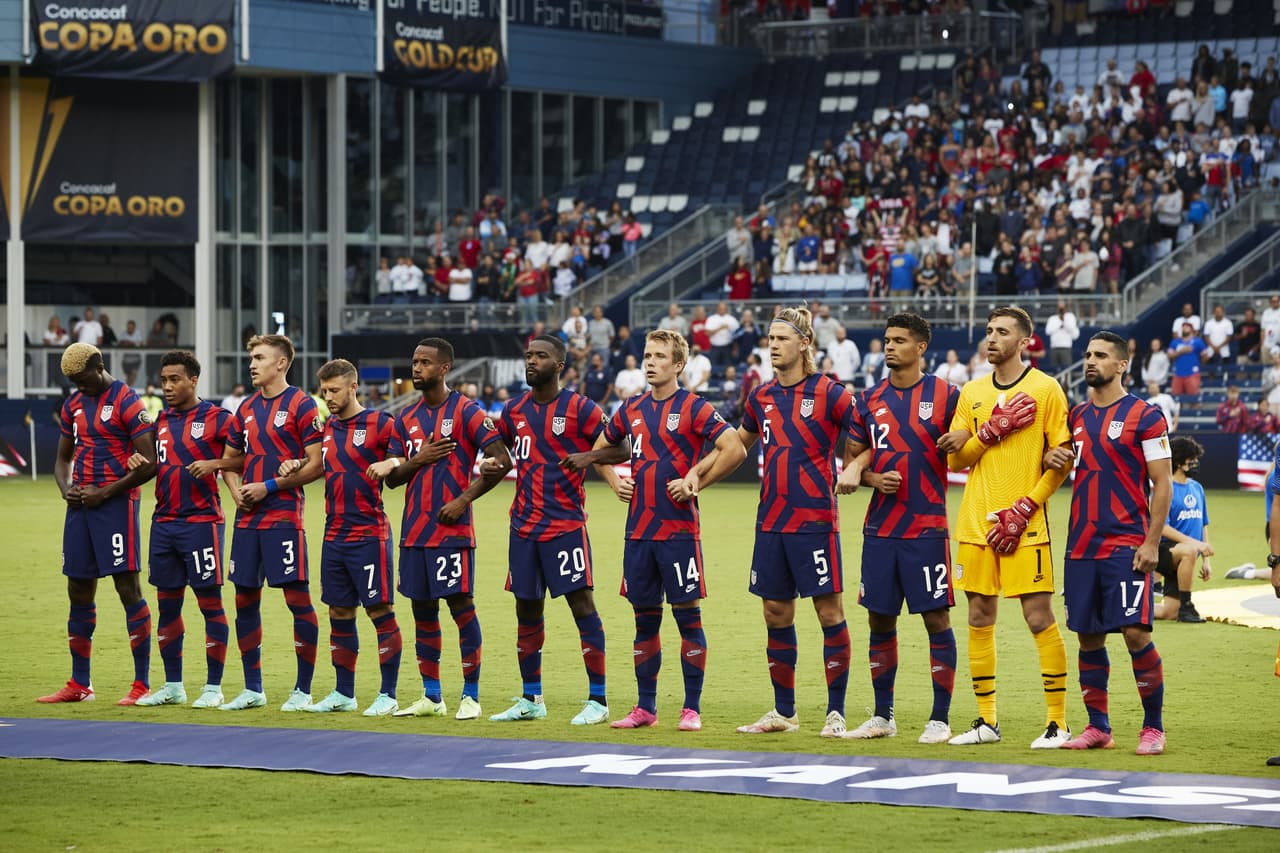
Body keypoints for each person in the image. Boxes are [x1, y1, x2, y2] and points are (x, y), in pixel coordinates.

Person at [562, 329, 746, 731]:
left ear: (678, 365)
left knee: (688, 619)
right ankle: (645, 708)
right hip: (639, 534)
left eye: (660, 356)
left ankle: (691, 709)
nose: (650, 362)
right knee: (644, 621)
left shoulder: (694, 407)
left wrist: (696, 482)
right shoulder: (631, 408)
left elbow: (735, 448)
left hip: (678, 532)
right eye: (647, 355)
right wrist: (614, 480)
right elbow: (599, 450)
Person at [704, 307, 861, 738]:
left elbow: (866, 434)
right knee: (775, 613)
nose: (772, 345)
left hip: (815, 520)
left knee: (829, 612)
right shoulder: (761, 397)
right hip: (771, 521)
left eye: (781, 338)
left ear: (804, 343)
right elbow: (737, 446)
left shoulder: (830, 393)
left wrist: (855, 466)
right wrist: (698, 476)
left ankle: (836, 713)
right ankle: (784, 712)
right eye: (770, 338)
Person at [946, 307, 1073, 749]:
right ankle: (986, 721)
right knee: (979, 616)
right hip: (976, 522)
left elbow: (1062, 460)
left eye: (1002, 332)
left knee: (1038, 617)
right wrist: (990, 431)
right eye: (989, 331)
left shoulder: (1046, 389)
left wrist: (1026, 507)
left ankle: (1058, 723)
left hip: (1027, 525)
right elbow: (956, 459)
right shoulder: (972, 392)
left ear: (1024, 342)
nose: (992, 338)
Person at [842, 313, 965, 743]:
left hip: (927, 528)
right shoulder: (868, 399)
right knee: (879, 619)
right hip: (880, 529)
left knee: (936, 617)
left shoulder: (947, 395)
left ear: (920, 347)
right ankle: (882, 716)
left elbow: (968, 446)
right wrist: (874, 479)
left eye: (899, 340)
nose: (890, 347)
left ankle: (940, 718)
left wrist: (965, 438)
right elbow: (853, 462)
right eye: (887, 339)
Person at [376, 338, 511, 720]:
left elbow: (502, 460)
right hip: (414, 532)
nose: (416, 368)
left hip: (452, 533)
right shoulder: (406, 417)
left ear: (444, 368)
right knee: (422, 611)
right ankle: (432, 695)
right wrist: (418, 459)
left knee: (461, 608)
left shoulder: (467, 411)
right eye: (414, 361)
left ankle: (471, 696)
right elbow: (393, 478)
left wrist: (463, 501)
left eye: (424, 362)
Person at [483, 336, 612, 725]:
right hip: (523, 527)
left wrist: (589, 456)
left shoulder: (581, 408)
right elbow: (500, 450)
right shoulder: (514, 410)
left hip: (565, 525)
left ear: (559, 365)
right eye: (528, 355)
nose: (531, 361)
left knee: (581, 606)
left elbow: (621, 447)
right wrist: (492, 462)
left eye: (540, 356)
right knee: (526, 608)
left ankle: (598, 699)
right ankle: (531, 698)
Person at [1056, 331, 1171, 756]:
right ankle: (1098, 727)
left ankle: (1153, 728)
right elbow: (1063, 461)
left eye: (1101, 355)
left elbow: (1162, 484)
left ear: (1122, 364)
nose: (1091, 361)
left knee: (1135, 633)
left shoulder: (1146, 415)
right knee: (1088, 637)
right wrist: (1053, 457)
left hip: (1126, 543)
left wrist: (1152, 543)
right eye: (1088, 354)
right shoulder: (1076, 415)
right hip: (1081, 547)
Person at [274, 359, 404, 717]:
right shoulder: (328, 426)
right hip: (334, 534)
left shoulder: (380, 422)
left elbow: (404, 457)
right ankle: (344, 693)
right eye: (324, 391)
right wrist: (294, 464)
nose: (328, 397)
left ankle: (388, 694)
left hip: (369, 533)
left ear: (353, 387)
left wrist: (391, 464)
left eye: (334, 390)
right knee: (339, 611)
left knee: (379, 610)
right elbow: (315, 464)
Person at [38, 343, 157, 705]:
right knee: (78, 588)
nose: (78, 385)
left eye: (82, 377)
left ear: (99, 366)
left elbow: (150, 462)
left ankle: (141, 685)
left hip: (116, 505)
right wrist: (67, 491)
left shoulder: (127, 400)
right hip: (81, 508)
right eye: (72, 380)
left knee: (127, 588)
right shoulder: (73, 404)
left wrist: (104, 492)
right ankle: (80, 684)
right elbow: (62, 460)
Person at [214, 334, 325, 711]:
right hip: (247, 522)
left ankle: (303, 690)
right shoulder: (244, 408)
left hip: (283, 518)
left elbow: (317, 464)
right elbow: (230, 461)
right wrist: (236, 493)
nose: (252, 364)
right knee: (244, 599)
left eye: (259, 358)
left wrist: (269, 486)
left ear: (281, 363)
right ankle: (253, 689)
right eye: (251, 358)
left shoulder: (302, 404)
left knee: (297, 599)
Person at [128, 351, 234, 709]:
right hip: (164, 523)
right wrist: (134, 460)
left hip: (201, 523)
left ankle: (213, 687)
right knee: (167, 606)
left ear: (193, 380)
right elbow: (149, 462)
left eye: (175, 379)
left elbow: (245, 457)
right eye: (164, 380)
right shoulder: (160, 420)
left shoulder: (219, 418)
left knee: (210, 603)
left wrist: (215, 463)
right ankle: (173, 686)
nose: (168, 386)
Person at [1154, 437, 1211, 623]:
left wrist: (1206, 561)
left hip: (1186, 554)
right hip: (1165, 551)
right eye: (1191, 459)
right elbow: (1162, 528)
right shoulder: (1165, 488)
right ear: (1179, 462)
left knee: (1170, 612)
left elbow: (1203, 524)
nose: (1195, 463)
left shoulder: (1197, 488)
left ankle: (1128, 609)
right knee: (1189, 550)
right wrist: (1195, 545)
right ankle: (1187, 606)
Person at [1167, 323, 1206, 396]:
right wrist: (1180, 351)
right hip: (1178, 373)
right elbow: (1169, 356)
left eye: (1187, 327)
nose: (1185, 328)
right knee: (1175, 396)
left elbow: (1205, 355)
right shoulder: (1175, 342)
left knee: (1193, 396)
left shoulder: (1197, 341)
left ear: (1192, 329)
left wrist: (1198, 364)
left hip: (1192, 373)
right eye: (1183, 327)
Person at [1044, 301, 1079, 369]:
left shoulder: (1070, 317)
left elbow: (1072, 328)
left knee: (1066, 368)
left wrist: (1063, 320)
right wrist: (1059, 323)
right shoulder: (1052, 318)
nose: (1061, 310)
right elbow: (1048, 331)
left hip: (1066, 348)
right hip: (1054, 348)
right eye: (1059, 308)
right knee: (1054, 369)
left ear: (1066, 308)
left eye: (1062, 308)